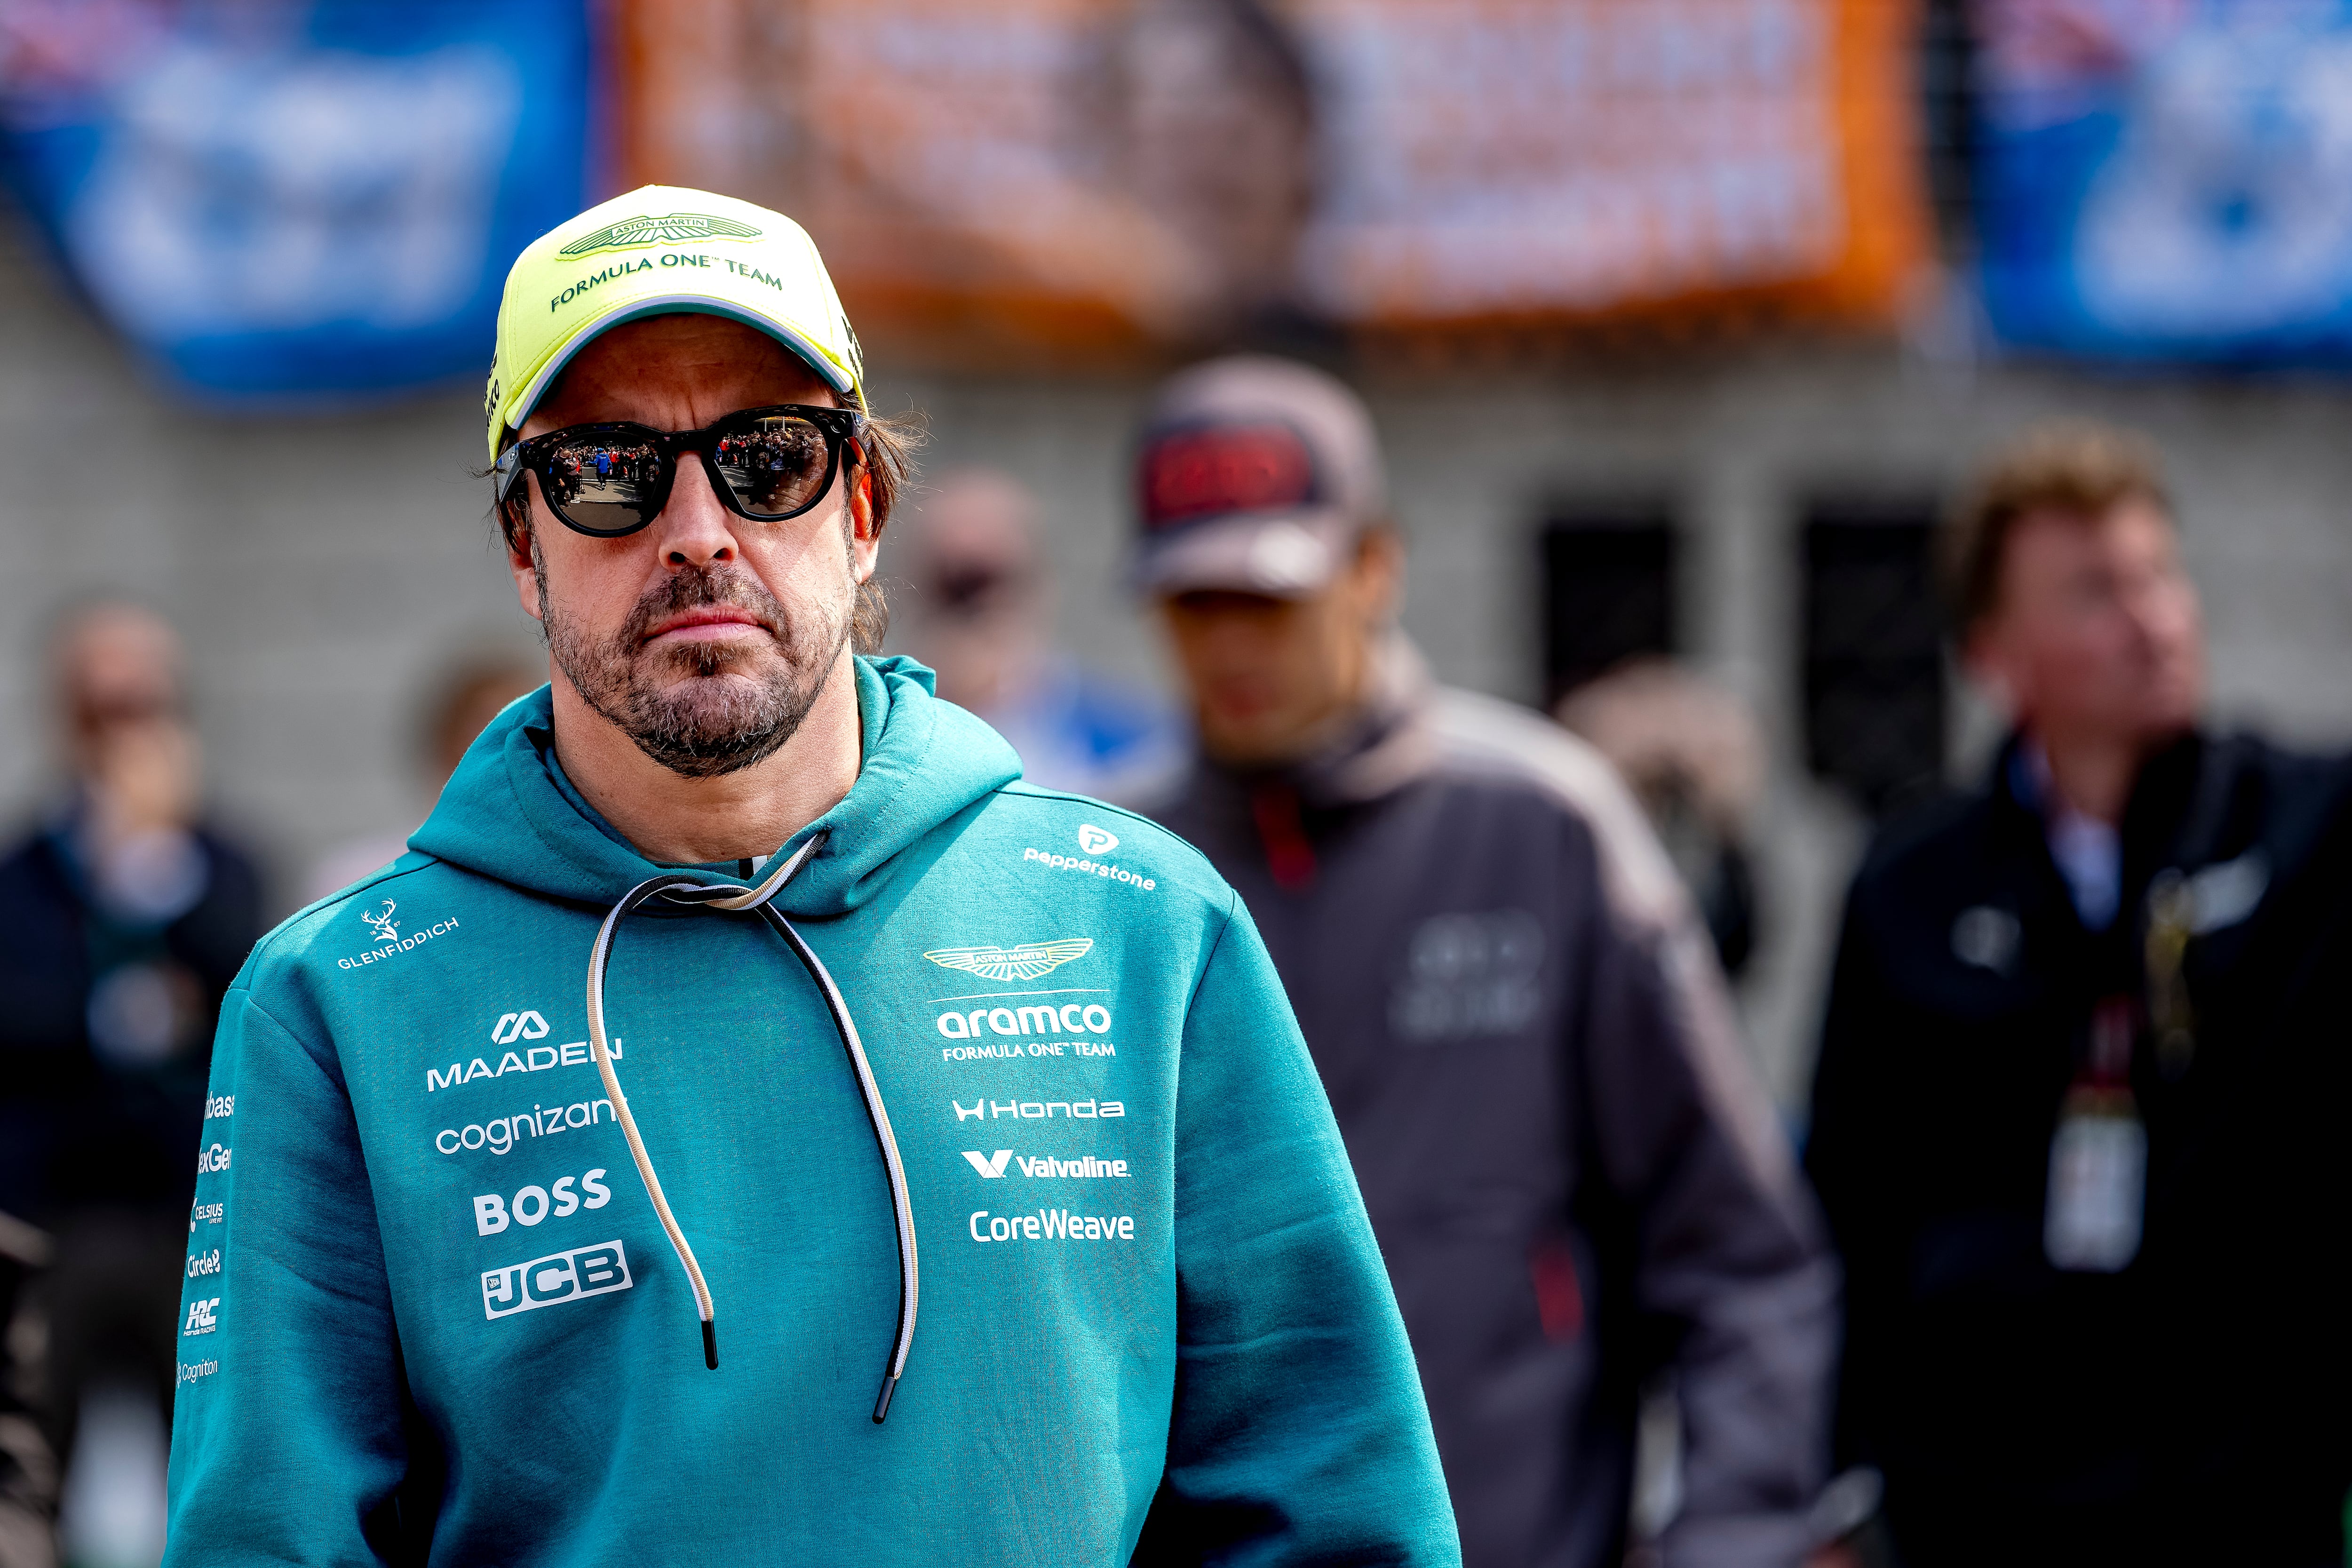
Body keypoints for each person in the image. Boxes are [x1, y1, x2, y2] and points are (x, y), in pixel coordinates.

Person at [163, 186, 1455, 1565]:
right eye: (608, 469)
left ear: (864, 508)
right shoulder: (339, 1007)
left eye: (768, 458)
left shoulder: (1142, 926)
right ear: (526, 546)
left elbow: (1335, 1517)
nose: (698, 532)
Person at [1138, 357, 1837, 1568]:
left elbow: (1741, 1263)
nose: (1232, 642)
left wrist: (1729, 1538)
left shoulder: (1548, 827)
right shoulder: (1118, 871)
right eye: (1198, 602)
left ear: (1375, 566)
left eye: (1271, 596)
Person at [1804, 421, 2352, 1566]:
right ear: (1993, 654)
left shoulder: (2308, 828)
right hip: (1979, 1501)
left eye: (2159, 576)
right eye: (2095, 592)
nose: (2151, 620)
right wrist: (1833, 1483)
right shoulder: (1909, 890)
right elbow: (1847, 1204)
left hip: (2249, 1491)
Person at [0, 602, 265, 1565]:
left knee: (211, 1468)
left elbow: (245, 999)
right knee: (35, 1469)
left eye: (148, 703)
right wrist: (121, 1011)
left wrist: (156, 867)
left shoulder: (222, 863)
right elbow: (19, 1017)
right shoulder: (26, 872)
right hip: (58, 1211)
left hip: (189, 1209)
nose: (129, 730)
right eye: (104, 707)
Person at [900, 467, 1184, 801]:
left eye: (985, 581)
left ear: (1040, 585)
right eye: (951, 587)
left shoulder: (1135, 748)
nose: (970, 611)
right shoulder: (884, 741)